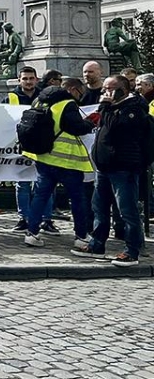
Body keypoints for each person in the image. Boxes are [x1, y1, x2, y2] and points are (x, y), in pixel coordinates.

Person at [75, 75, 148, 266]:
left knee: (127, 211)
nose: (105, 93)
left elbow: (116, 127)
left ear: (122, 90)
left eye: (110, 89)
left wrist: (105, 107)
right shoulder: (112, 108)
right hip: (104, 168)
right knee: (99, 208)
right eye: (104, 89)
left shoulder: (133, 109)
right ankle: (97, 244)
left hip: (123, 167)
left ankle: (132, 250)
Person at [22, 78, 96, 248]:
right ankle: (81, 236)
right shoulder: (67, 104)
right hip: (67, 160)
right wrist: (90, 123)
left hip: (43, 157)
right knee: (78, 199)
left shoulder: (39, 101)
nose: (81, 96)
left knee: (40, 197)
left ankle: (31, 233)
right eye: (80, 92)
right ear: (73, 89)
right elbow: (76, 128)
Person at [3, 66, 57, 235]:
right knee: (22, 184)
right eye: (24, 78)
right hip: (20, 146)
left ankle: (46, 220)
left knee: (45, 184)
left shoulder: (45, 97)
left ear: (37, 79)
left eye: (31, 78)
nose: (28, 81)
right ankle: (24, 219)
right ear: (19, 80)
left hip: (42, 145)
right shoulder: (10, 98)